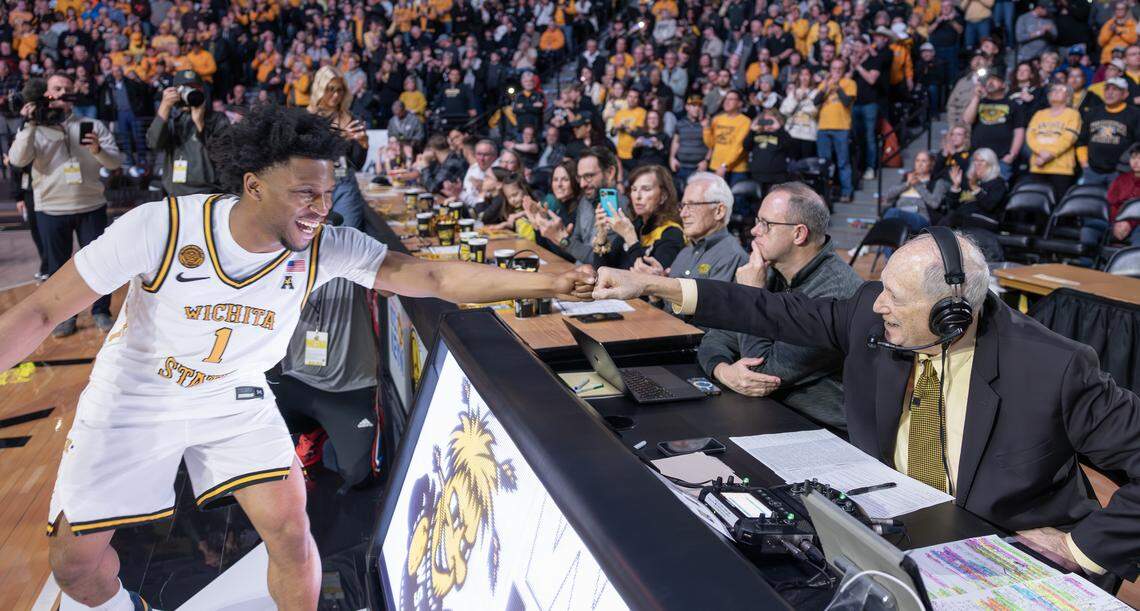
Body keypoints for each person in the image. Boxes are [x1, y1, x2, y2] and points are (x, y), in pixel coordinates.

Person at [1, 105, 592, 611]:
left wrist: (549, 282)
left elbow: (433, 275)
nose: (318, 208)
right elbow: (42, 310)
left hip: (233, 392)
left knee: (289, 531)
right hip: (134, 394)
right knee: (75, 567)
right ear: (253, 185)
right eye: (304, 194)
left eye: (326, 192)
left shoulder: (324, 244)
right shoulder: (162, 225)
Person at [591, 229, 1140, 588]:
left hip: (1007, 553)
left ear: (953, 314)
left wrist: (1080, 547)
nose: (877, 305)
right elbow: (773, 310)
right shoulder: (868, 314)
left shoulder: (1054, 367)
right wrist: (656, 285)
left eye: (895, 299)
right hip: (904, 533)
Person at [698, 183, 862, 430]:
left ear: (799, 234)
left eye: (766, 224)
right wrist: (723, 371)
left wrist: (751, 295)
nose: (754, 231)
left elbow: (762, 370)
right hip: (767, 412)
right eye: (757, 221)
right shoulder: (769, 272)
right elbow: (715, 338)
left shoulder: (836, 293)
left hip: (821, 431)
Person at [8, 74, 121, 337]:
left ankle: (101, 311)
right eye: (56, 88)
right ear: (46, 93)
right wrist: (28, 124)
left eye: (66, 89)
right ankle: (64, 318)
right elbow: (16, 159)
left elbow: (115, 163)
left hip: (91, 205)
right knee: (57, 271)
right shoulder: (32, 128)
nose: (61, 93)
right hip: (50, 209)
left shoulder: (92, 125)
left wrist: (98, 150)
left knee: (101, 264)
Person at [633, 172, 749, 283]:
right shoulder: (685, 253)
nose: (683, 214)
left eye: (692, 205)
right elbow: (666, 304)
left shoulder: (732, 257)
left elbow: (709, 304)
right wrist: (658, 288)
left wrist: (668, 290)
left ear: (719, 211)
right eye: (683, 206)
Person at [534, 146, 630, 265]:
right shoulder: (585, 200)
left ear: (610, 173)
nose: (583, 184)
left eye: (589, 176)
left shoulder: (620, 208)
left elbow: (600, 260)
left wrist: (564, 241)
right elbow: (575, 240)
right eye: (580, 177)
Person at [147, 70, 230, 197]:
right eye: (185, 88)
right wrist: (164, 106)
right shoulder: (171, 119)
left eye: (195, 88)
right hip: (177, 192)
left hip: (210, 192)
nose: (190, 92)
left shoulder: (217, 118)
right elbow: (153, 143)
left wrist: (200, 124)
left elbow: (223, 153)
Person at [307, 66, 370, 231]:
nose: (335, 95)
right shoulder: (307, 119)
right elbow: (307, 154)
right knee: (317, 241)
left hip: (344, 182)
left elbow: (357, 163)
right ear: (320, 88)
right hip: (315, 186)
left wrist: (363, 144)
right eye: (330, 89)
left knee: (348, 238)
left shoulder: (350, 118)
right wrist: (341, 137)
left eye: (340, 90)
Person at [594, 164, 684, 270]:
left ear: (663, 196)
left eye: (646, 189)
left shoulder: (672, 232)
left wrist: (630, 238)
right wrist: (602, 237)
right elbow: (603, 269)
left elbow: (653, 279)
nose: (638, 196)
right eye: (634, 189)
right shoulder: (636, 224)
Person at [963, 70, 1025, 181]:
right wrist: (976, 97)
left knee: (997, 192)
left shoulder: (1013, 105)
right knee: (973, 192)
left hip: (1001, 158)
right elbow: (967, 120)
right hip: (977, 157)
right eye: (987, 80)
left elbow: (1019, 131)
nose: (989, 82)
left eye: (994, 80)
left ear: (1004, 85)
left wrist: (1012, 155)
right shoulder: (979, 102)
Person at [1077, 77, 1140, 187]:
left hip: (1121, 171)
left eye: (1115, 89)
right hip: (1092, 170)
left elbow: (1138, 144)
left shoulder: (1135, 114)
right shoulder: (1093, 112)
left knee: (1118, 203)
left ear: (1125, 94)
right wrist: (1084, 163)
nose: (1110, 93)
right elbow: (1081, 140)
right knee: (1090, 201)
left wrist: (1129, 166)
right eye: (1107, 89)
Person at [1026, 83, 1082, 203]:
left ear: (1068, 96)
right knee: (1037, 205)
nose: (1055, 92)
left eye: (1061, 90)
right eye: (1053, 90)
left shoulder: (1073, 114)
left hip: (1061, 169)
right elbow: (1030, 136)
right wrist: (1041, 153)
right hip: (1038, 166)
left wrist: (1049, 154)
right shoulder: (1039, 114)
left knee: (1059, 207)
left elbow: (1069, 138)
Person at [816, 58, 857, 202]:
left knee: (843, 162)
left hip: (842, 128)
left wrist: (837, 87)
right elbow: (815, 101)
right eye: (834, 68)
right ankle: (825, 194)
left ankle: (846, 192)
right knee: (824, 164)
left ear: (844, 70)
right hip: (823, 128)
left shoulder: (850, 83)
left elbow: (846, 102)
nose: (836, 71)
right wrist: (827, 86)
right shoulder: (825, 83)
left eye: (839, 69)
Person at [941, 147, 1008, 229]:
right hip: (966, 217)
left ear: (991, 163)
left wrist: (975, 188)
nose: (978, 164)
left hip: (988, 219)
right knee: (950, 215)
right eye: (976, 161)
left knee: (953, 218)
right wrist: (956, 186)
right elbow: (952, 206)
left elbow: (989, 206)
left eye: (982, 161)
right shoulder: (971, 181)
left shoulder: (998, 183)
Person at [883, 150, 950, 231]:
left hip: (921, 217)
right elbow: (888, 195)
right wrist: (907, 184)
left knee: (893, 213)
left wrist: (917, 185)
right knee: (892, 216)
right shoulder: (907, 180)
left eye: (924, 161)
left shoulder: (937, 182)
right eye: (917, 160)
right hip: (900, 213)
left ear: (931, 164)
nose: (920, 164)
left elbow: (934, 203)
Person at [1104, 144, 1140, 245]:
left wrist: (1130, 224)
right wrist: (1117, 222)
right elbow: (1111, 203)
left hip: (1137, 223)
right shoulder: (1121, 179)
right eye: (1133, 158)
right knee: (1090, 231)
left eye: (1139, 158)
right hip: (1117, 221)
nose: (1136, 162)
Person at [669, 95, 709, 184]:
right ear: (687, 107)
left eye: (699, 106)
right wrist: (672, 158)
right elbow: (676, 141)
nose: (697, 109)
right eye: (694, 105)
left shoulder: (706, 124)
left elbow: (712, 145)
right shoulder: (680, 123)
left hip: (699, 167)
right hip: (681, 166)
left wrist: (706, 161)